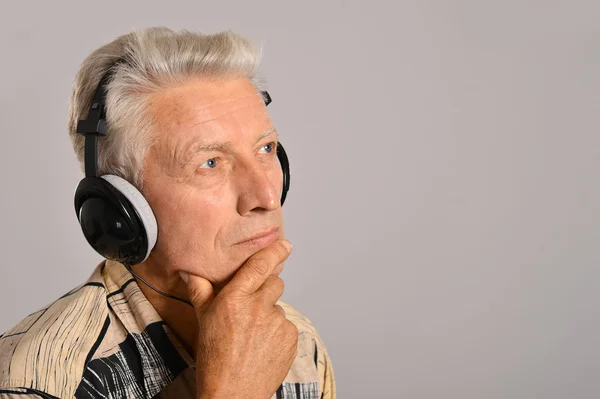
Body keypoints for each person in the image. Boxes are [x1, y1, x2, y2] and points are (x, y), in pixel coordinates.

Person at [0, 27, 335, 399]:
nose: (267, 196)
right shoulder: (36, 382)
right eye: (210, 162)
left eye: (266, 148)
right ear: (120, 209)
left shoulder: (297, 341)